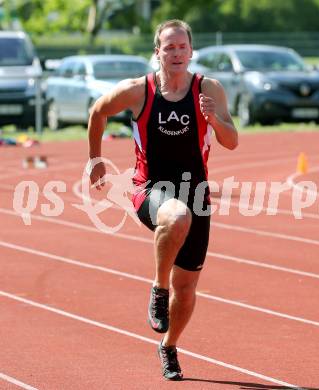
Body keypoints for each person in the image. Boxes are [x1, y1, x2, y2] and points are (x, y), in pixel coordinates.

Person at [87, 19, 238, 381]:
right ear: (157, 52)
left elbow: (232, 140)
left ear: (191, 51)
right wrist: (95, 161)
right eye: (168, 47)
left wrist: (214, 120)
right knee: (176, 217)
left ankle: (168, 346)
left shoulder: (209, 89)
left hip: (197, 191)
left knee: (186, 292)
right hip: (148, 188)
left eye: (182, 47)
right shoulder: (138, 91)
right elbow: (98, 112)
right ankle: (158, 287)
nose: (176, 53)